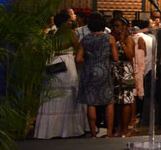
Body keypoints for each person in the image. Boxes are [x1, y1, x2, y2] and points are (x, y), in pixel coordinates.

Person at [35, 10, 87, 139]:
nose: (71, 23)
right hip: (66, 64)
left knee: (53, 94)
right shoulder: (70, 33)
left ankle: (51, 129)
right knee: (68, 94)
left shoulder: (52, 33)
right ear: (64, 23)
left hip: (52, 63)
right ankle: (68, 129)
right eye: (69, 21)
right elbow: (77, 48)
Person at [76, 12, 118, 137]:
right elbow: (115, 58)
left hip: (89, 71)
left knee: (91, 103)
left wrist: (89, 60)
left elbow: (78, 59)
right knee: (109, 102)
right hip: (104, 70)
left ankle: (93, 134)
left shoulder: (85, 39)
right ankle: (109, 133)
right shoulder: (109, 38)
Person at [110, 17, 137, 137]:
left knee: (125, 101)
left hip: (125, 71)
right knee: (116, 102)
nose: (115, 29)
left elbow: (130, 55)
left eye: (117, 26)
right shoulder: (112, 38)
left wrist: (122, 42)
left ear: (124, 27)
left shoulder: (128, 39)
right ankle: (119, 127)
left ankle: (125, 129)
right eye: (114, 26)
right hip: (115, 72)